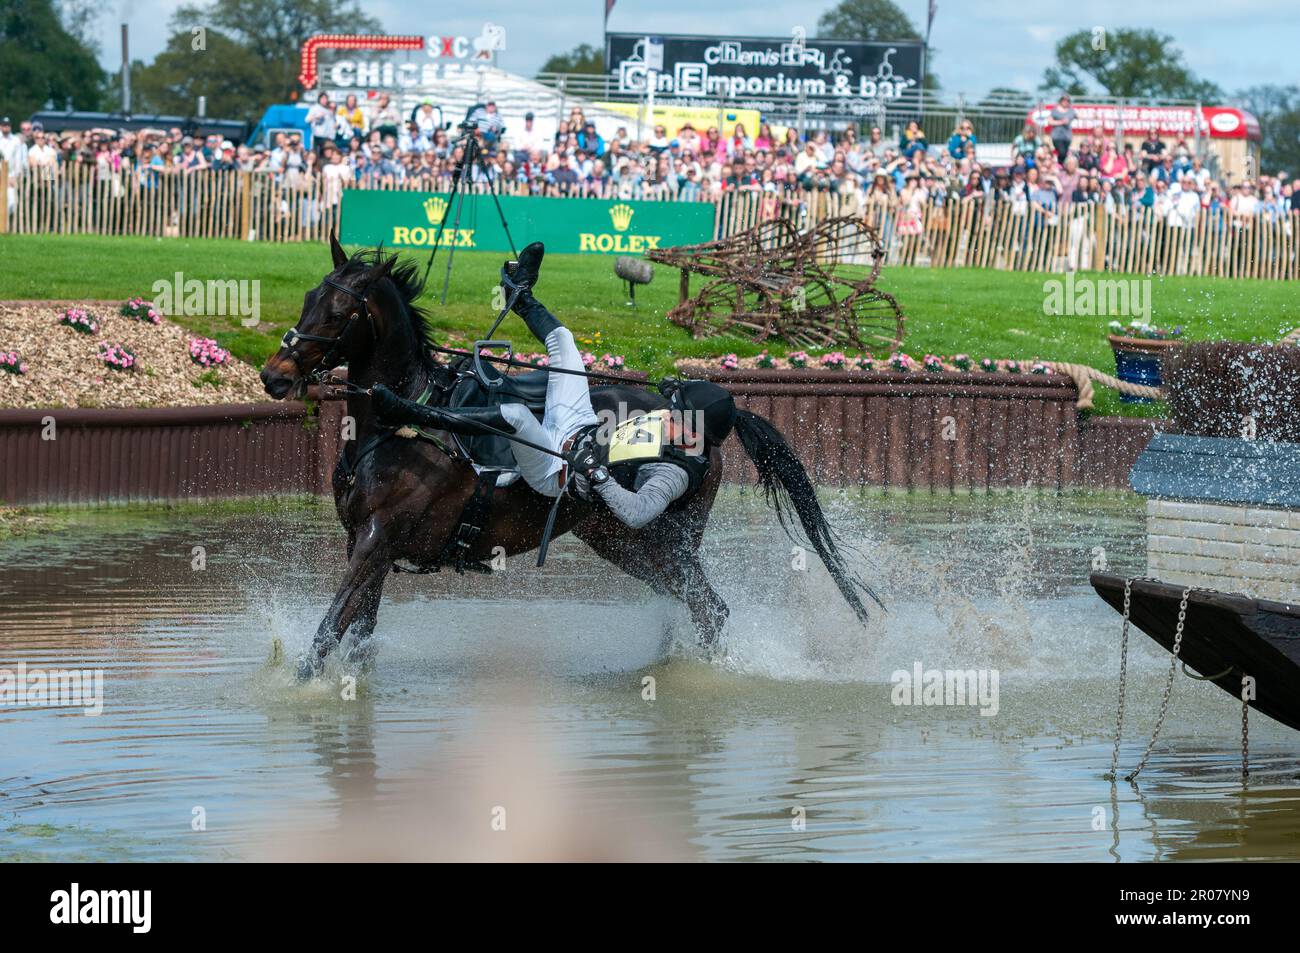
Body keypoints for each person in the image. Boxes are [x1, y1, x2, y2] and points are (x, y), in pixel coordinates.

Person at [370, 243, 735, 528]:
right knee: (565, 345)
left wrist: (597, 474)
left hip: (554, 471)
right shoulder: (684, 427)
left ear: (695, 432)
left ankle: (411, 412)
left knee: (515, 416)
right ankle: (519, 292)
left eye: (676, 413)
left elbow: (637, 514)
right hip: (578, 427)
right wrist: (674, 388)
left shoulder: (674, 473)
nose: (666, 412)